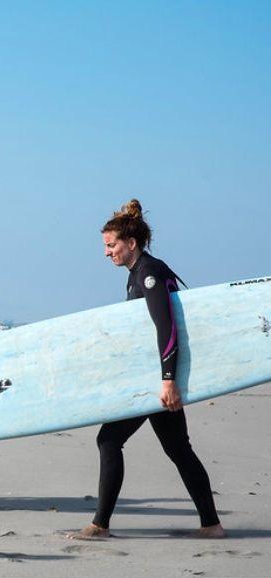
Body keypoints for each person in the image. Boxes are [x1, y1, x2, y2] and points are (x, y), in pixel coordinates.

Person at [68, 199, 225, 540]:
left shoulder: (149, 272)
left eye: (111, 246)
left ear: (131, 243)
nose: (106, 253)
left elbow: (165, 327)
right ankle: (211, 524)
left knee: (109, 439)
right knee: (178, 449)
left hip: (158, 382)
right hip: (154, 379)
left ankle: (100, 525)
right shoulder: (137, 274)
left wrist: (168, 380)